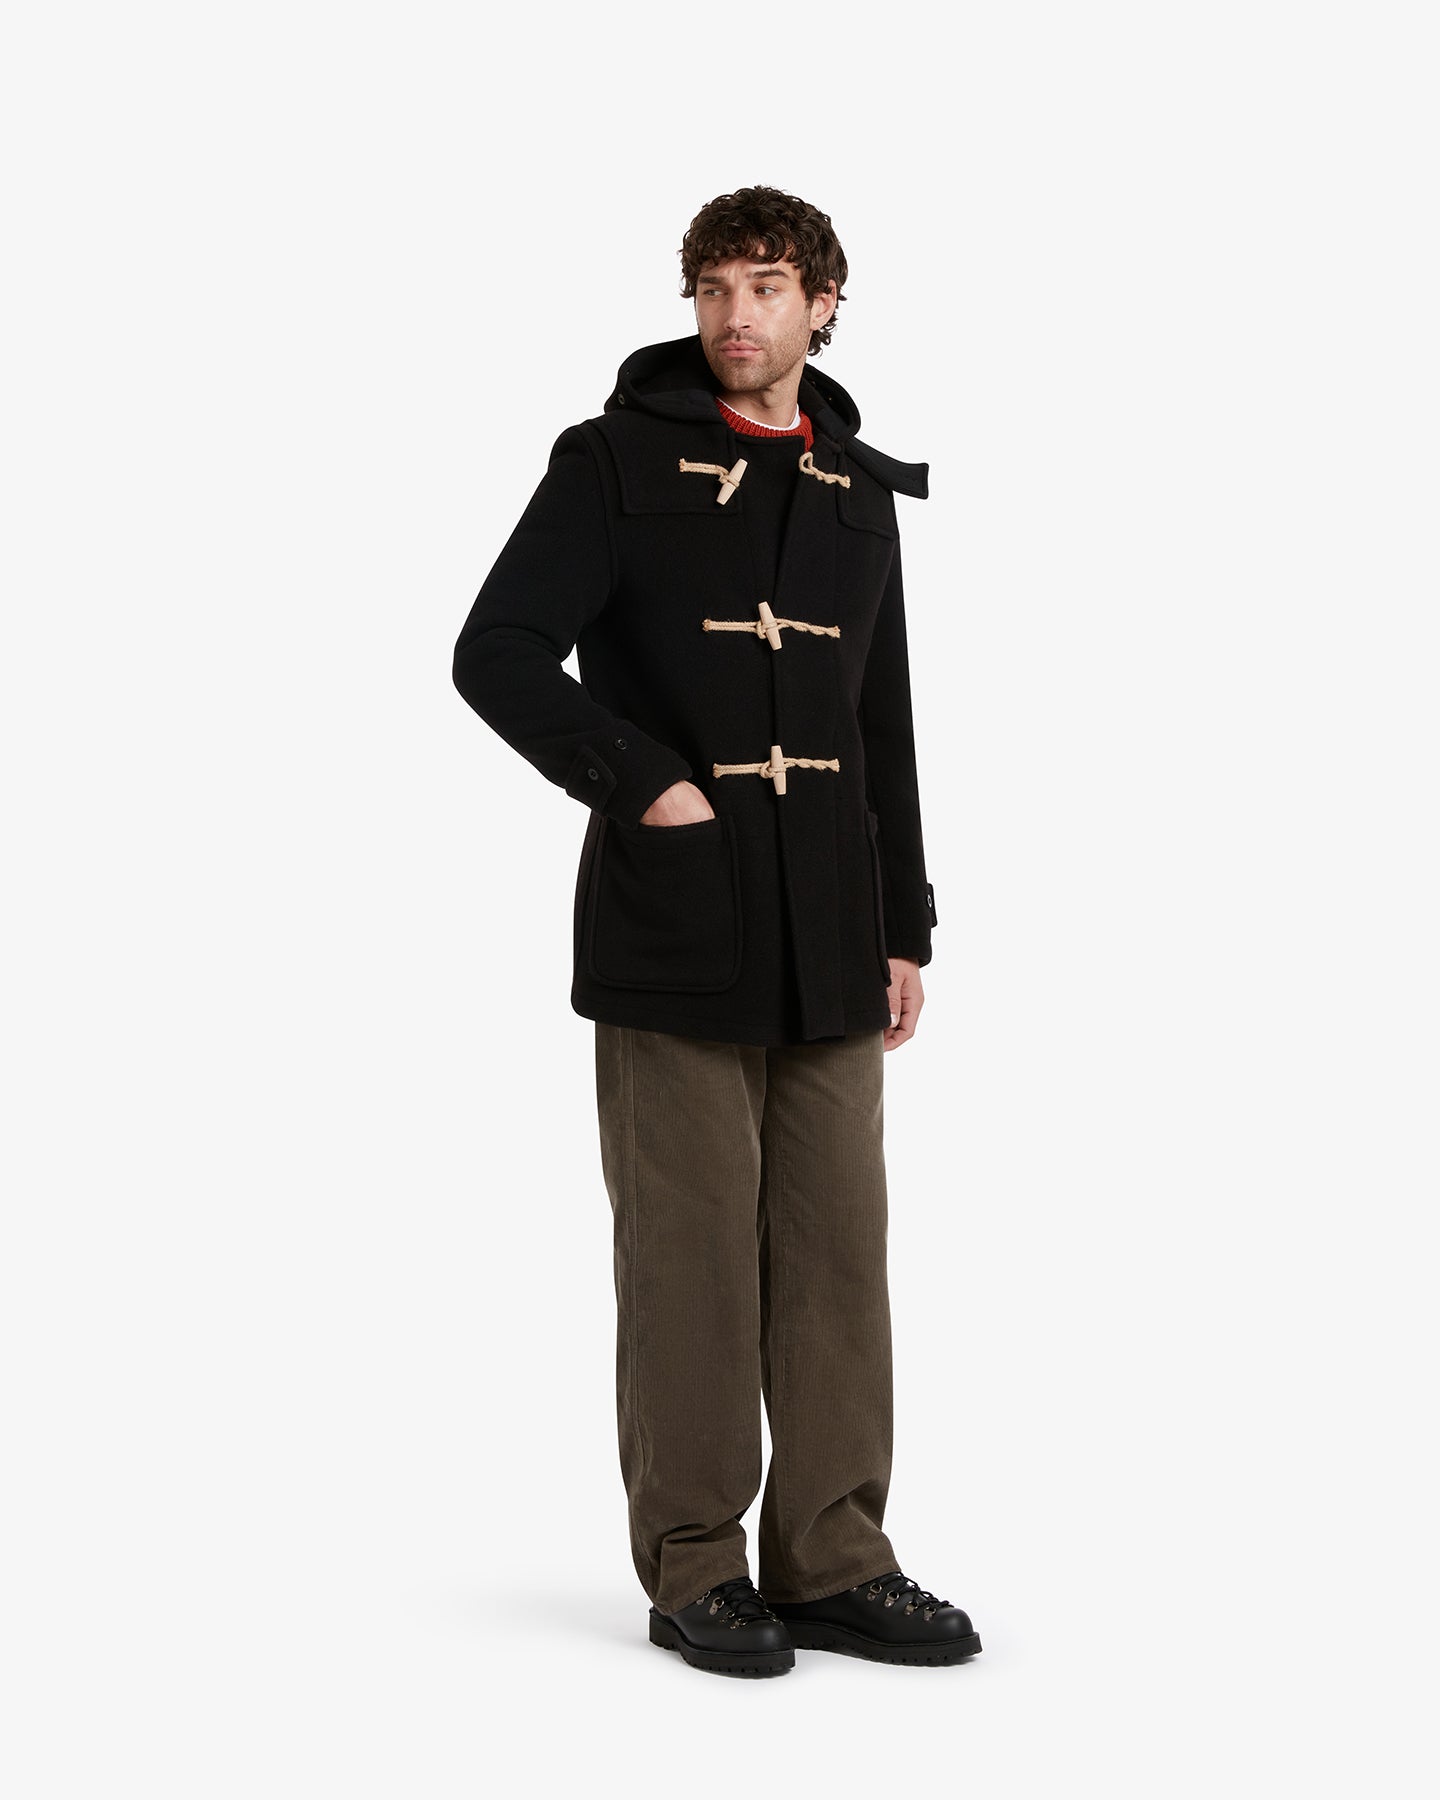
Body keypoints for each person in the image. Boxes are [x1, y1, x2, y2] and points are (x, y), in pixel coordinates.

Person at [452, 185, 981, 1678]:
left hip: (833, 928)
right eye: (714, 288)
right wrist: (646, 784)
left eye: (768, 286)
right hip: (677, 920)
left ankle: (834, 1558)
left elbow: (881, 722)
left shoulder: (853, 485)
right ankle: (696, 1564)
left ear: (825, 305)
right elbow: (495, 651)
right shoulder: (612, 461)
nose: (737, 315)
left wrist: (905, 923)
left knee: (837, 1257)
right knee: (689, 1259)